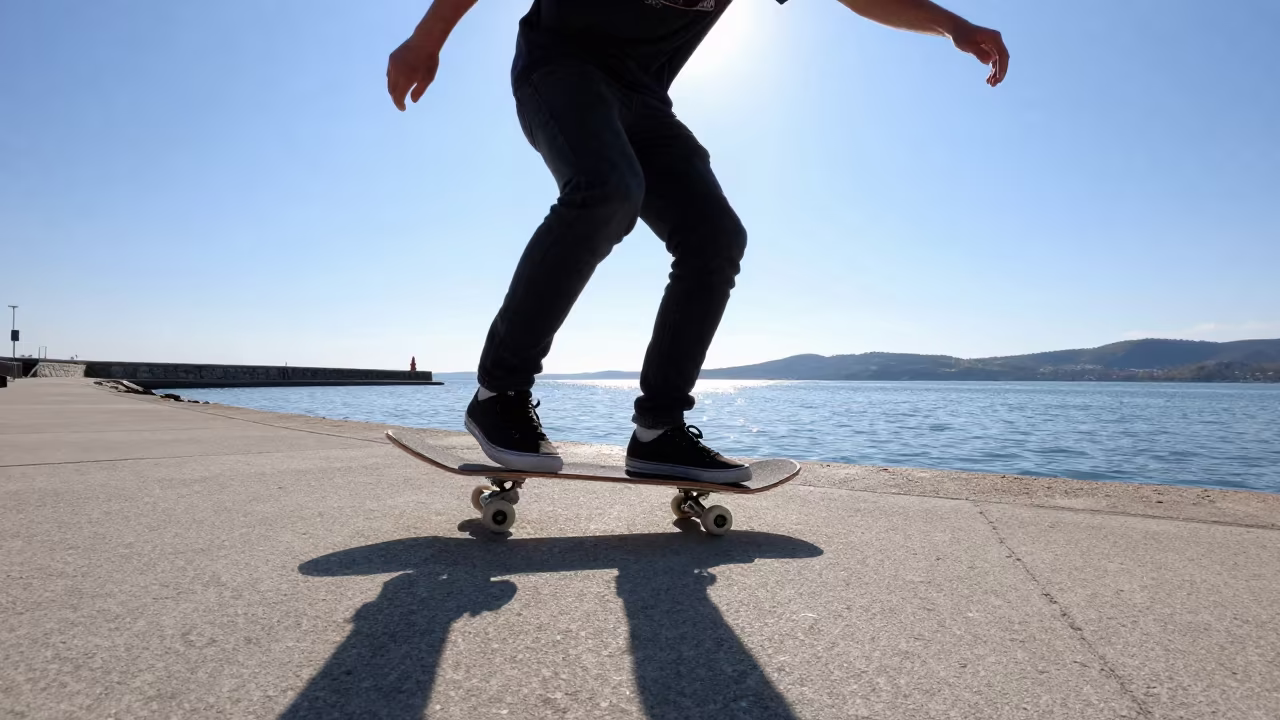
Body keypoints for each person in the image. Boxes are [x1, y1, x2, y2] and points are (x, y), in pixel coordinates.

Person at [387, 0, 1008, 483]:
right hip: (561, 68)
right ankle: (499, 392)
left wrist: (951, 25)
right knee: (606, 191)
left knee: (715, 236)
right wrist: (426, 39)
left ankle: (659, 431)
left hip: (644, 99)